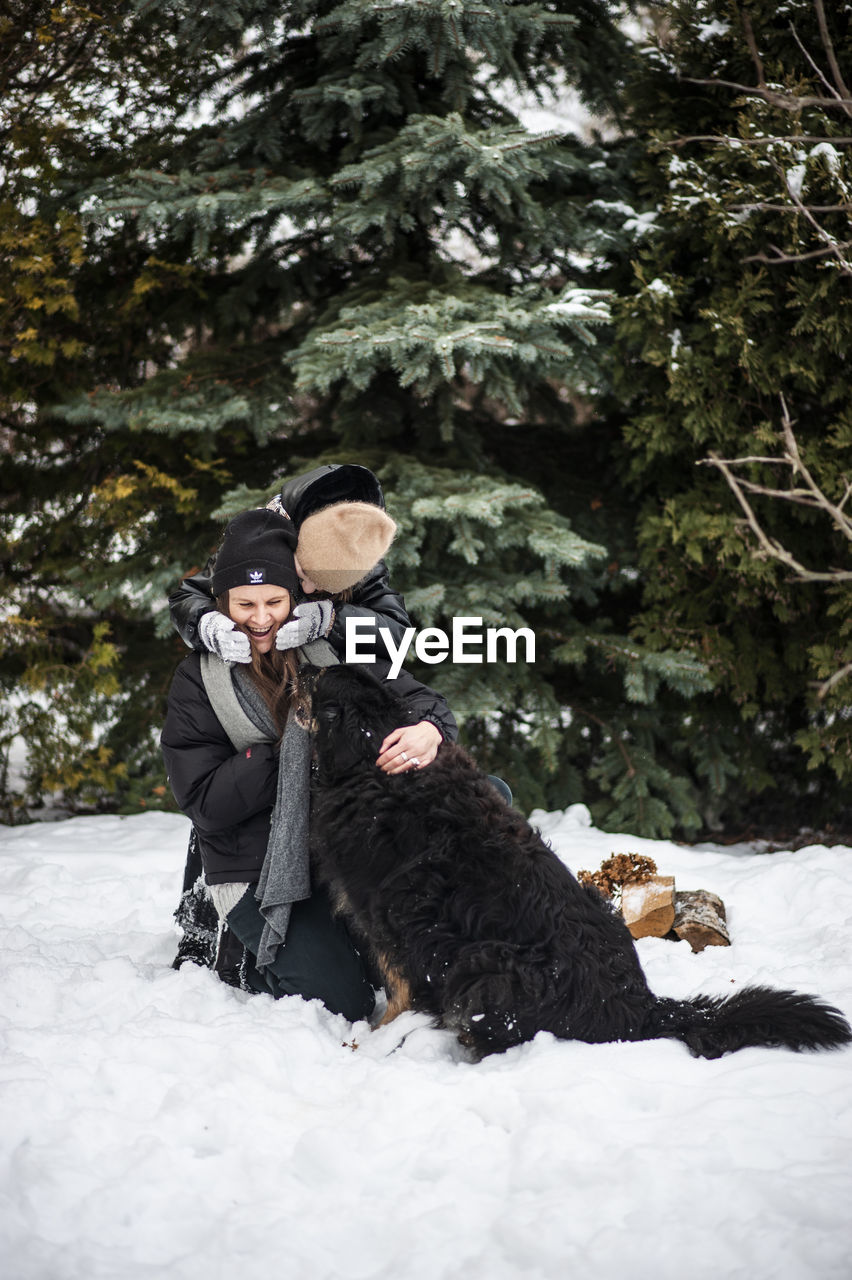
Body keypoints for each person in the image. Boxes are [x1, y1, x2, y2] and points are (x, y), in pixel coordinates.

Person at [161, 508, 458, 1021]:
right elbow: (204, 802)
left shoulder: (329, 648)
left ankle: (357, 932)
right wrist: (291, 753)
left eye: (274, 602)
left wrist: (430, 730)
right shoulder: (199, 680)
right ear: (221, 606)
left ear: (294, 600)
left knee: (480, 797)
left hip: (339, 850)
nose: (260, 618)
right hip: (257, 865)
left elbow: (423, 702)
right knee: (339, 1002)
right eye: (245, 604)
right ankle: (242, 950)